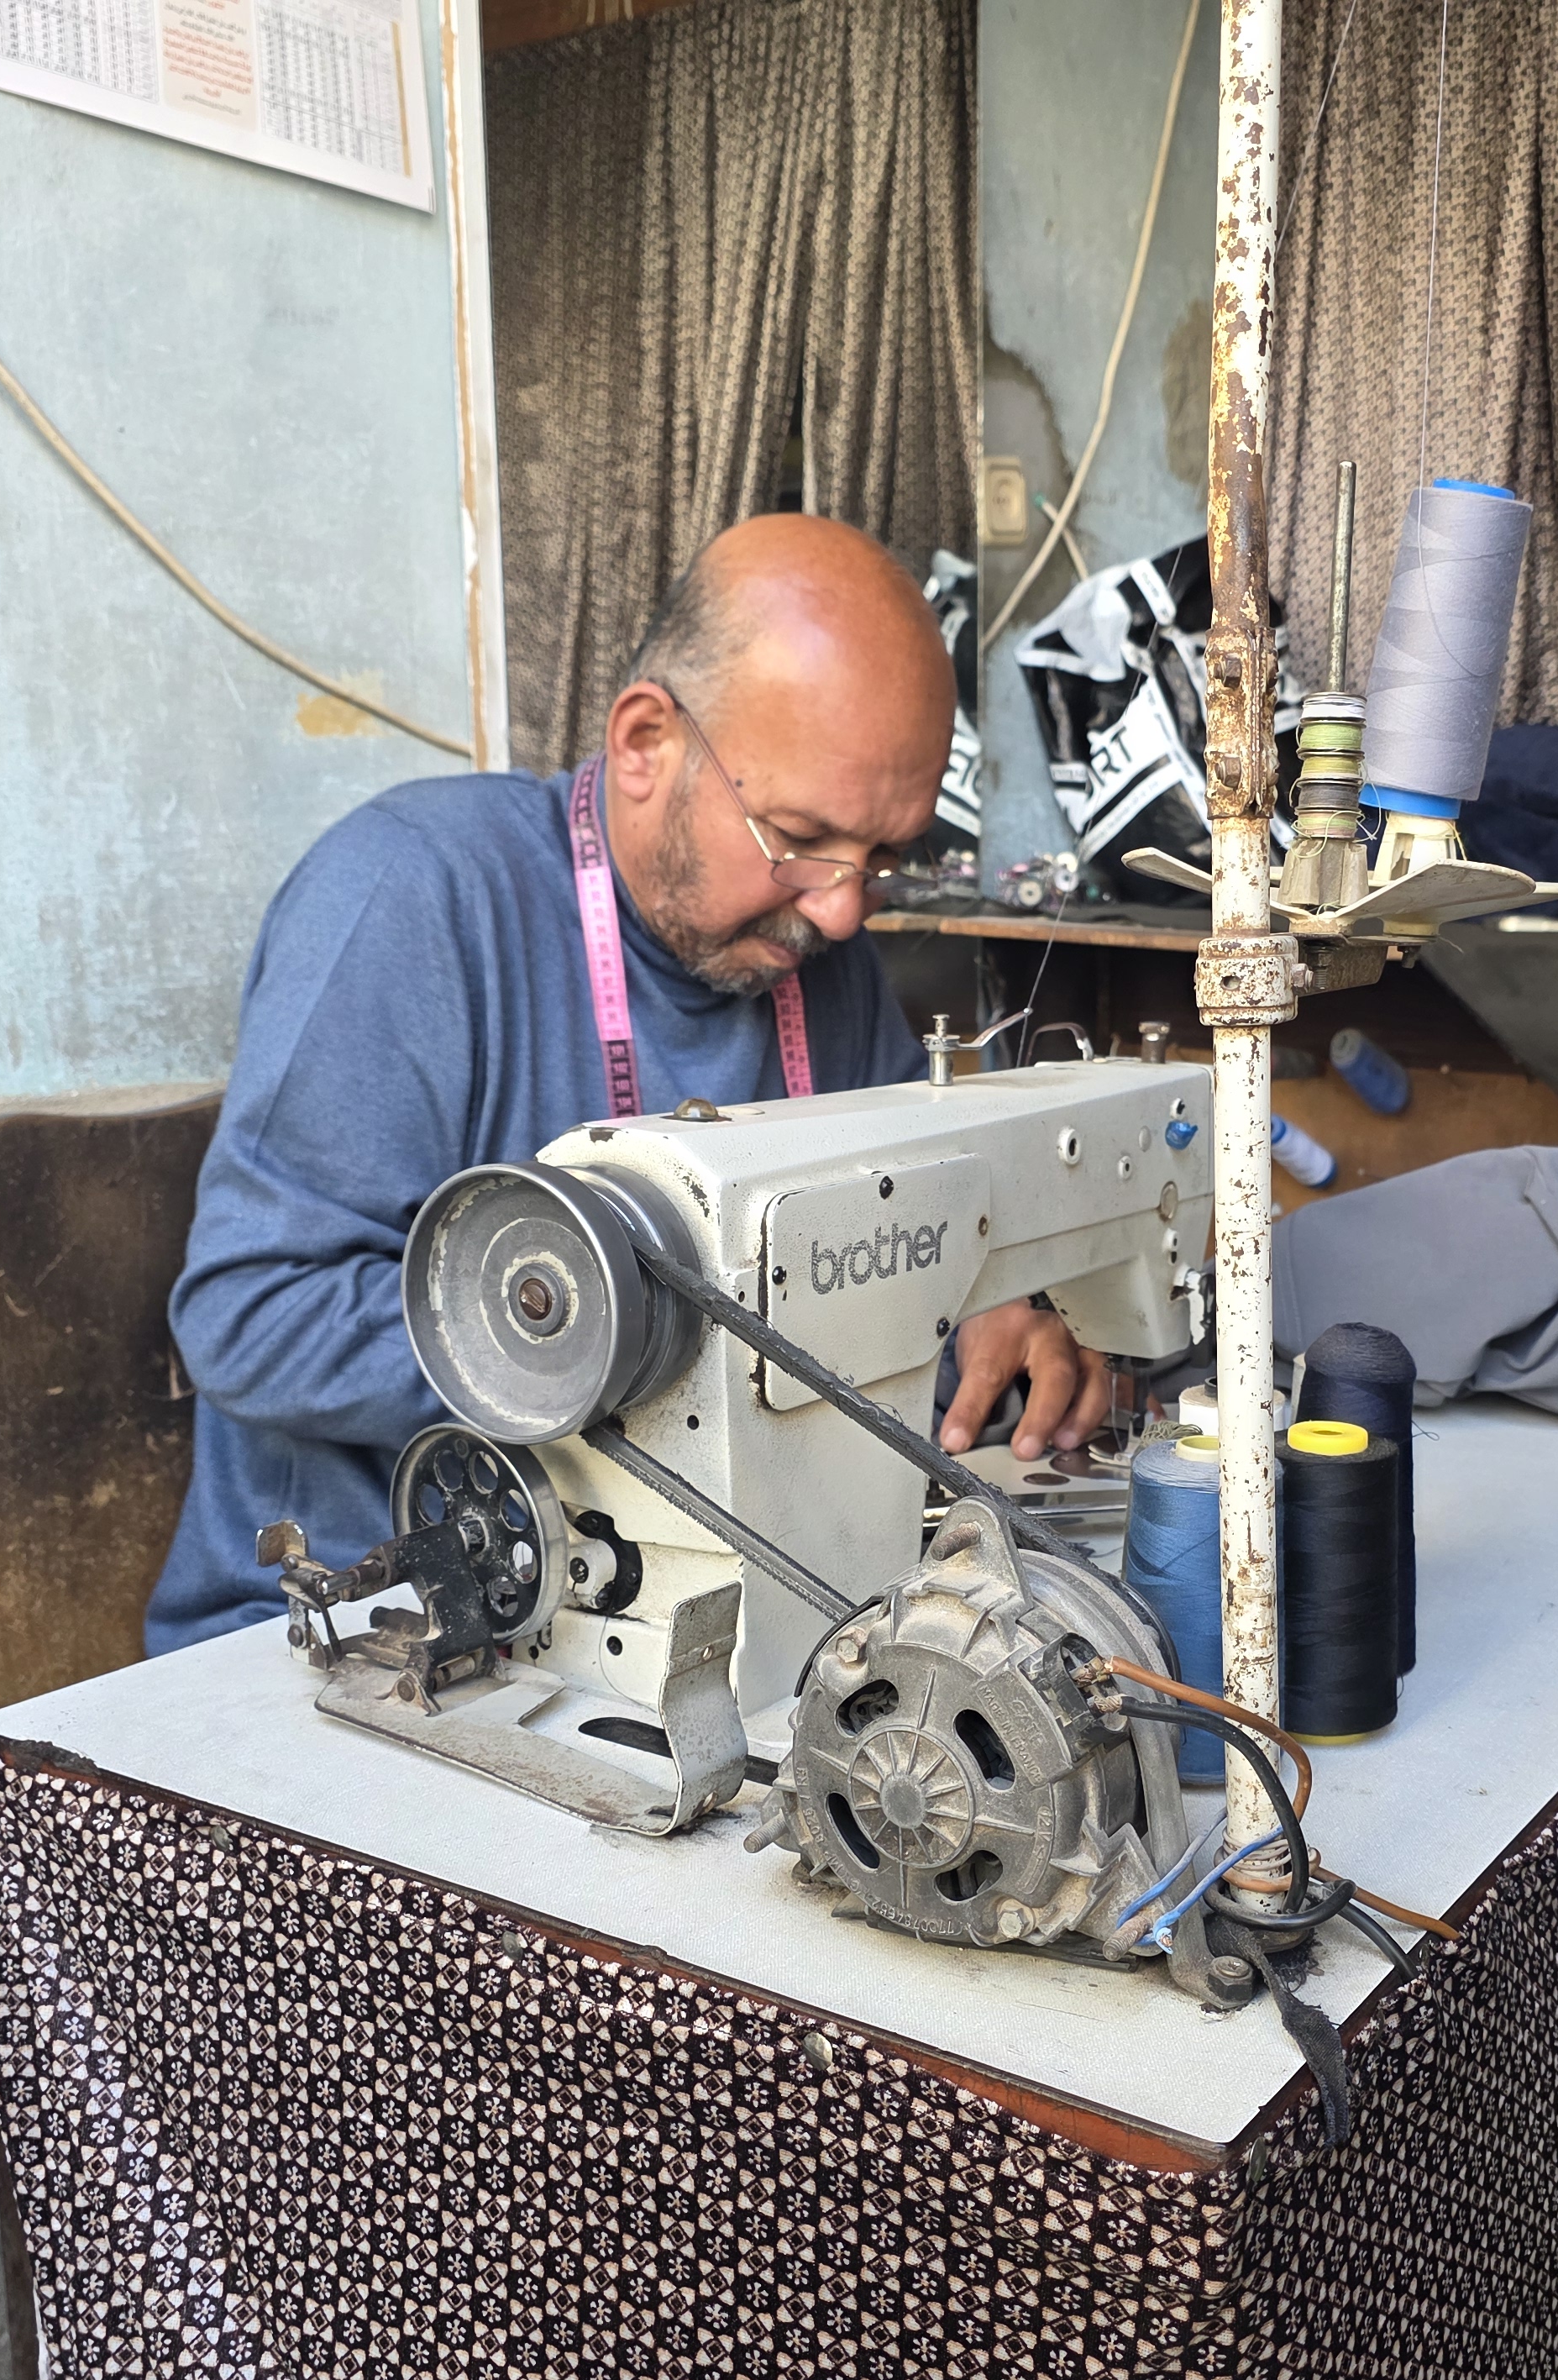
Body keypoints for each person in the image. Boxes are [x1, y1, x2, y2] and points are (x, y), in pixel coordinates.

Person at [148, 516, 1111, 1652]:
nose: (847, 909)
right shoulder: (412, 901)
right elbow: (252, 1317)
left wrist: (995, 1305)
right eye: (799, 836)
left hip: (693, 1617)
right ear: (647, 741)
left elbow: (896, 1259)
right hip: (370, 1636)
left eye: (885, 858)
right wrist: (629, 1335)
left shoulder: (824, 967)